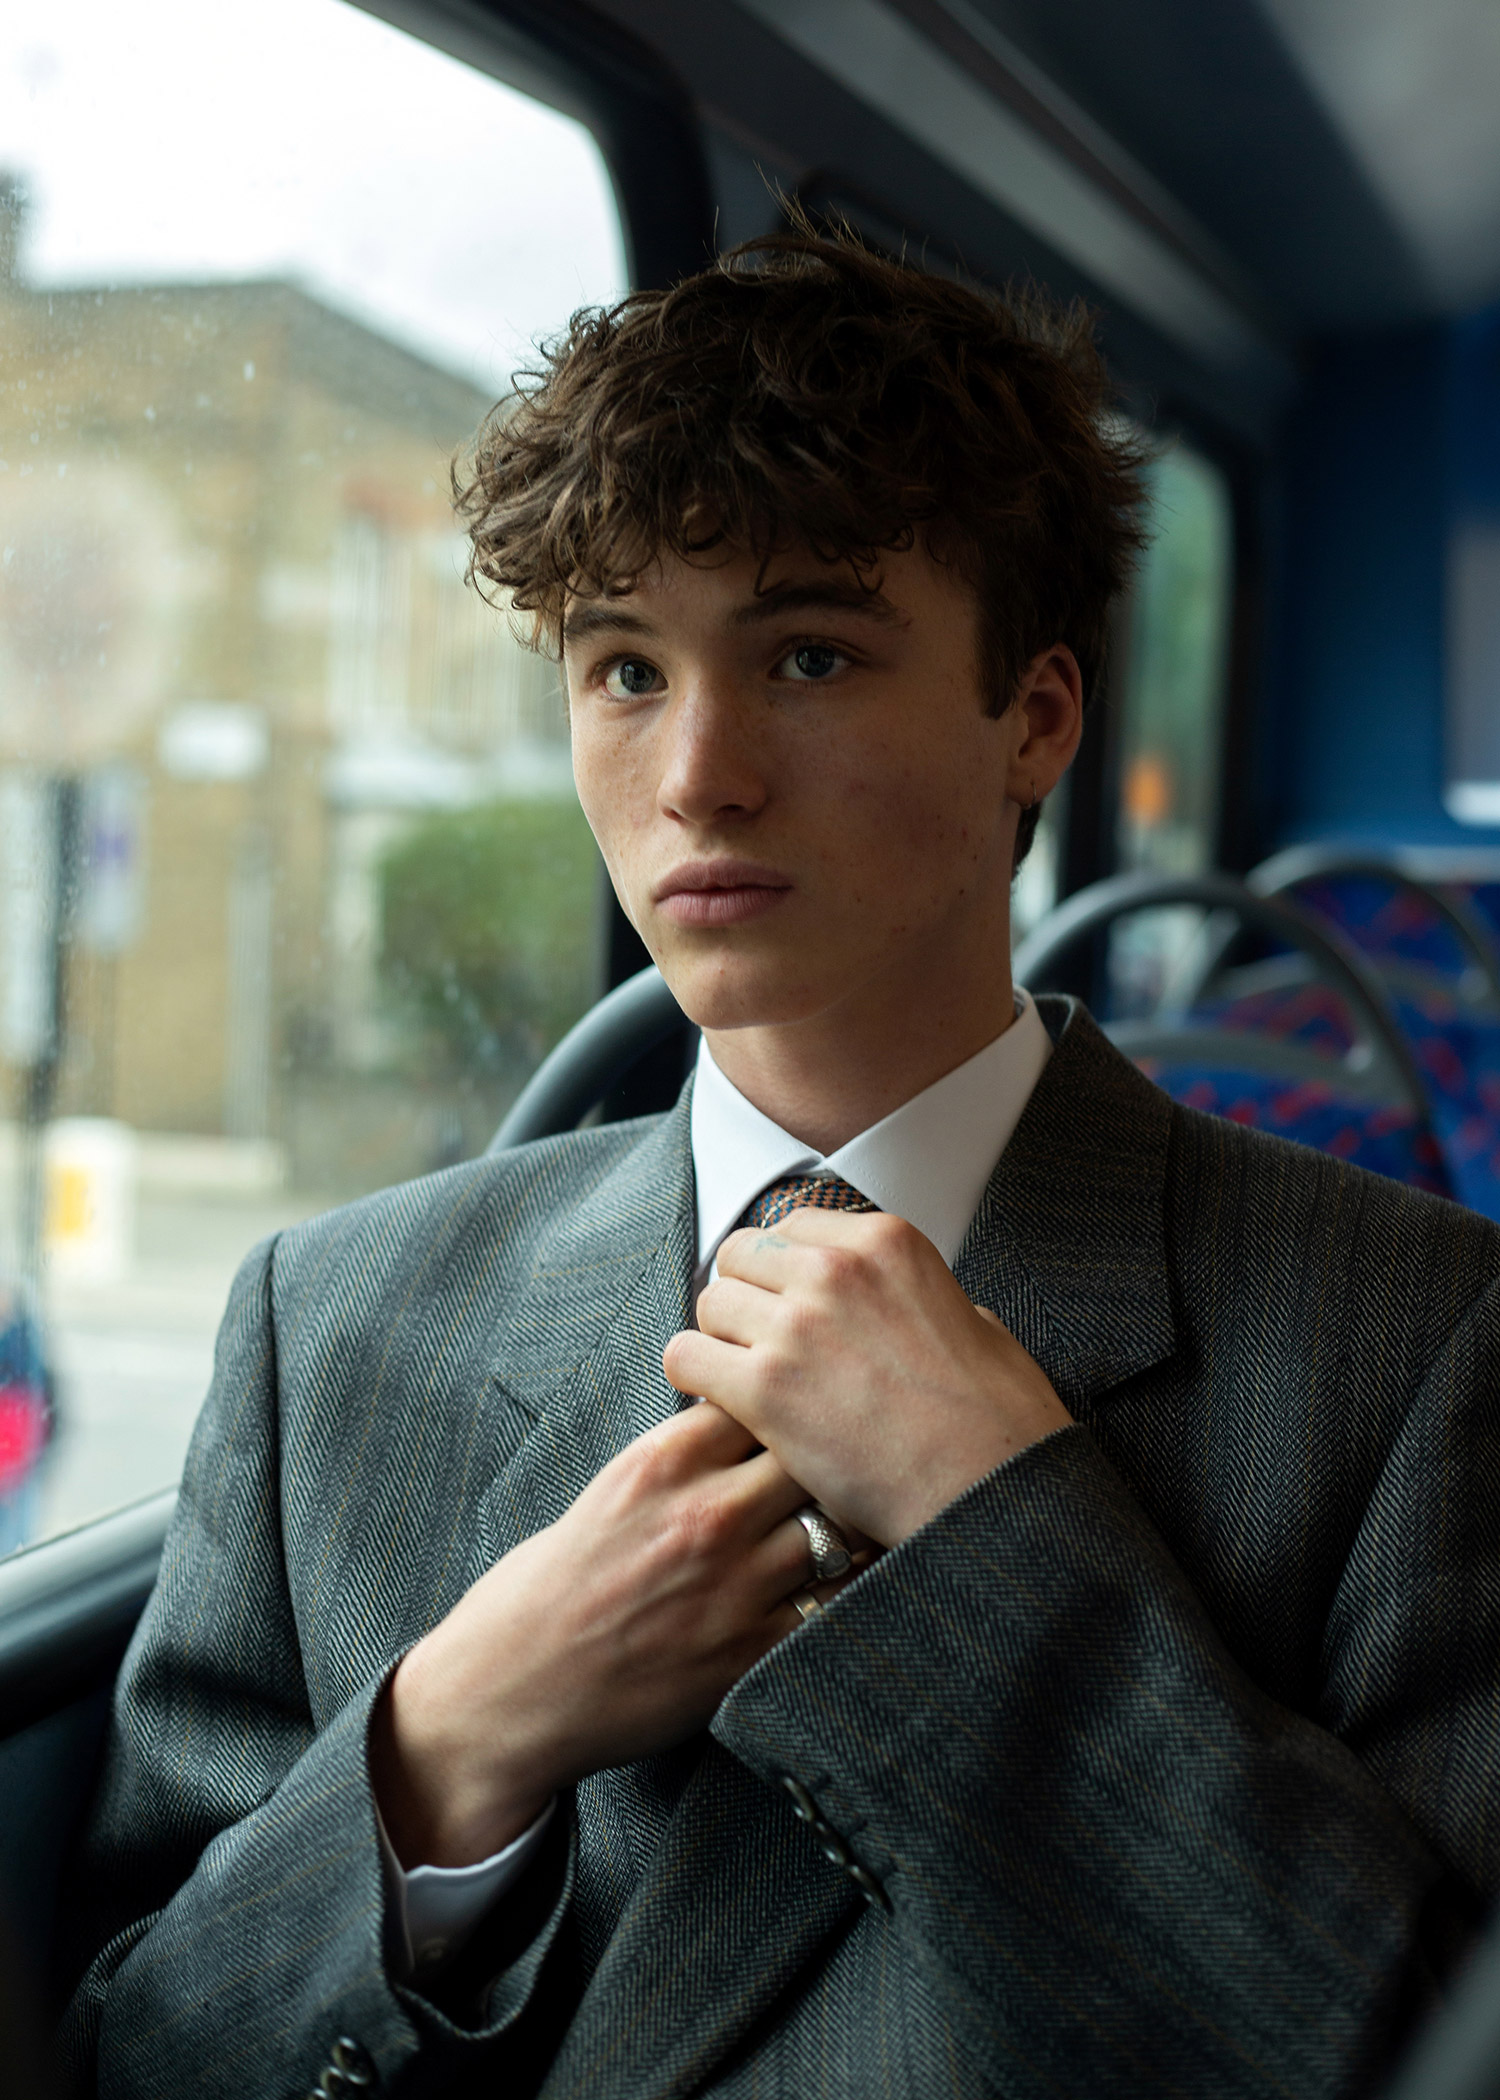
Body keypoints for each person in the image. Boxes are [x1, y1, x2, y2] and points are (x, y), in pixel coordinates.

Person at [62, 227, 1500, 2100]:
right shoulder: (327, 1324)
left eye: (809, 653)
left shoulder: (1421, 1348)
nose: (699, 774)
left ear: (1036, 719)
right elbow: (142, 2057)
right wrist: (458, 1736)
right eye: (624, 669)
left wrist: (995, 1538)